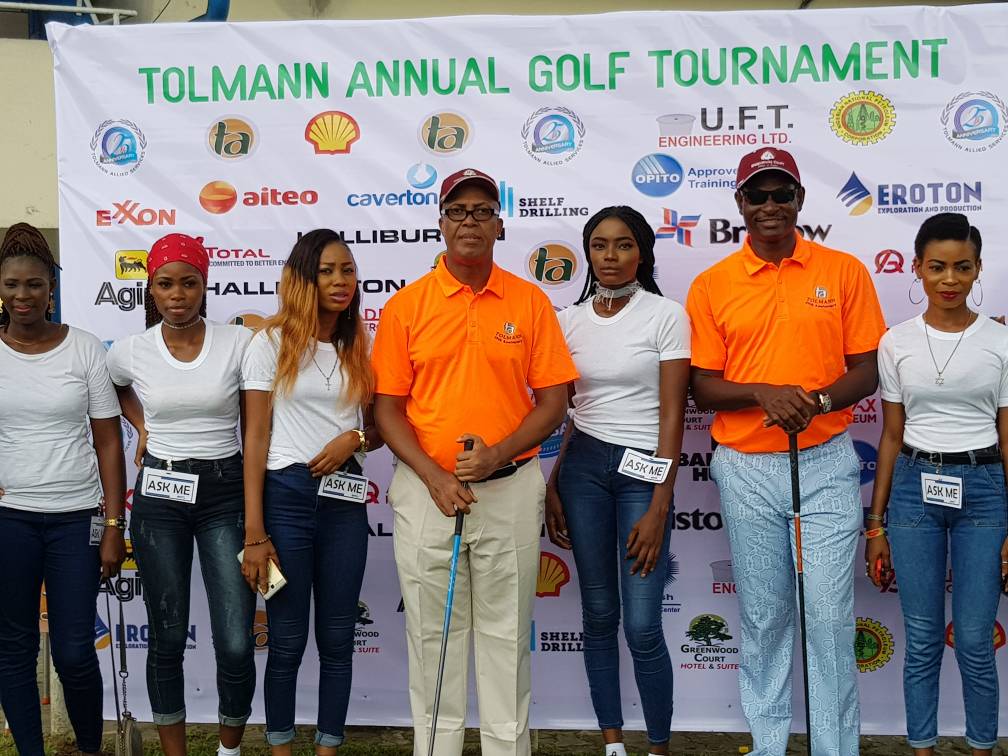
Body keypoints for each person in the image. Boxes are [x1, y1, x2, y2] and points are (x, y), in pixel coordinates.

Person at [685, 148, 886, 756]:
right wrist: (762, 393)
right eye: (757, 195)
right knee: (766, 617)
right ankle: (769, 745)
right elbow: (702, 386)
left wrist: (816, 400)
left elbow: (868, 369)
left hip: (825, 461)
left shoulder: (844, 271)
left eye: (781, 194)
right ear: (740, 203)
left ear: (799, 199)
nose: (769, 205)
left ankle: (834, 749)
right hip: (746, 466)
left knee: (826, 617)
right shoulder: (712, 283)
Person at [372, 168, 578, 756]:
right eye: (458, 211)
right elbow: (387, 410)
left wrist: (496, 457)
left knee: (505, 639)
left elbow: (554, 402)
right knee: (432, 639)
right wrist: (435, 476)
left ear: (499, 224)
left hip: (509, 487)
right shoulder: (407, 306)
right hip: (427, 491)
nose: (470, 221)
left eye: (482, 210)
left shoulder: (529, 301)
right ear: (440, 223)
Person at [545, 206, 690, 756]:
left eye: (623, 245)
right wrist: (553, 484)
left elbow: (673, 415)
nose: (610, 256)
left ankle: (658, 746)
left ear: (642, 253)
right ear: (588, 252)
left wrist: (659, 504)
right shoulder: (568, 320)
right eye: (599, 245)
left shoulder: (666, 315)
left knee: (643, 624)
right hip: (582, 470)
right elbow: (568, 411)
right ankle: (612, 743)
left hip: (643, 473)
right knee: (599, 615)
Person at [106, 233, 255, 756]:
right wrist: (141, 425)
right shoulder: (132, 350)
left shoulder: (237, 343)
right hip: (159, 497)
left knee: (235, 640)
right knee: (167, 636)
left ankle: (229, 750)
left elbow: (258, 414)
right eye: (165, 283)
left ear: (204, 285)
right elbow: (113, 386)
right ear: (150, 288)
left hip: (224, 493)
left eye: (188, 283)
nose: (177, 294)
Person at [866, 213, 1008, 756]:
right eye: (937, 267)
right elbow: (890, 435)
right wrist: (875, 525)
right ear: (918, 268)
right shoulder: (895, 342)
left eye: (962, 267)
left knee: (974, 640)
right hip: (913, 489)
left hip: (985, 490)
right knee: (923, 638)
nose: (950, 279)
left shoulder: (1000, 341)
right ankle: (922, 748)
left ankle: (982, 747)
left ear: (978, 270)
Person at [241, 229, 381, 755]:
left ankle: (327, 748)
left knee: (339, 639)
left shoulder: (358, 343)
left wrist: (355, 439)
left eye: (347, 270)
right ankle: (280, 746)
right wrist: (255, 532)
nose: (341, 281)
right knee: (287, 640)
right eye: (326, 271)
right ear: (303, 279)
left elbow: (380, 427)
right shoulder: (269, 344)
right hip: (286, 497)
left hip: (345, 502)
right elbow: (255, 437)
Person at [0, 222, 126, 756]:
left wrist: (114, 524)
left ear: (51, 287)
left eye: (34, 284)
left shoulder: (84, 348)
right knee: (13, 648)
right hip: (10, 520)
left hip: (76, 519)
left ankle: (90, 749)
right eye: (11, 284)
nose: (22, 295)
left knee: (74, 650)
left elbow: (109, 443)